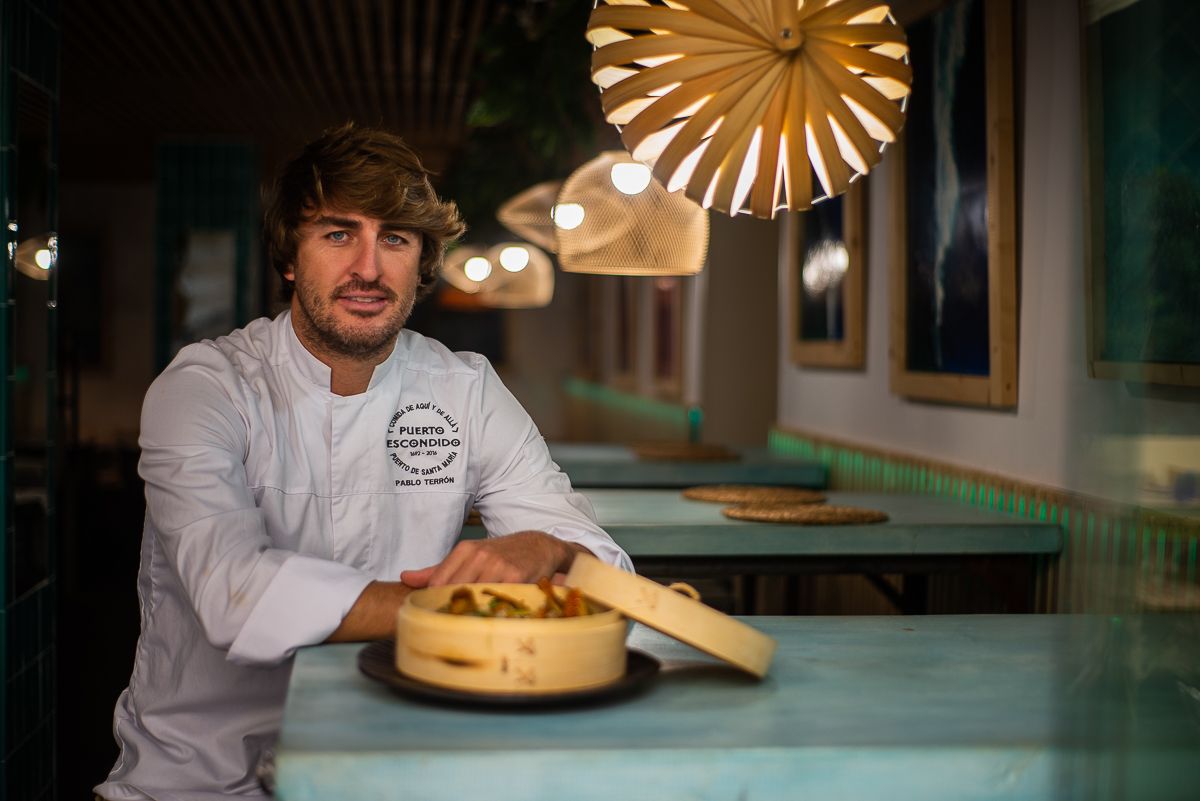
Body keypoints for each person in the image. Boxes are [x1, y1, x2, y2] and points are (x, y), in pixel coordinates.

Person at [95, 123, 632, 801]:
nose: (370, 269)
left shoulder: (464, 389)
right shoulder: (204, 386)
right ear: (291, 255)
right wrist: (458, 604)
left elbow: (611, 570)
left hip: (391, 766)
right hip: (197, 779)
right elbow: (235, 594)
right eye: (339, 233)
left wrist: (546, 546)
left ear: (422, 262)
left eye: (396, 239)